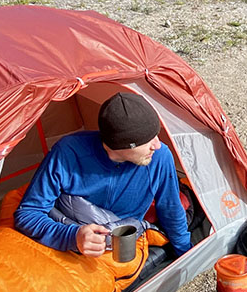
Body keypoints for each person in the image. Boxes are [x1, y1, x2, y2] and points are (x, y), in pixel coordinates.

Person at [14, 92, 192, 258]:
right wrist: (72, 237)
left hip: (122, 244)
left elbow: (170, 209)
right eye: (146, 140)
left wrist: (186, 254)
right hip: (72, 234)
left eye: (156, 135)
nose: (157, 145)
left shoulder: (160, 157)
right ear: (121, 144)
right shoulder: (68, 153)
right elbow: (28, 213)